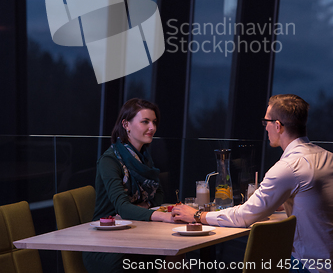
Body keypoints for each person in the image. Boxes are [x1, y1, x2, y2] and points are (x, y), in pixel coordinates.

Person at [172, 94, 333, 273]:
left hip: (309, 266)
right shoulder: (328, 157)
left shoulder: (288, 167)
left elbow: (245, 216)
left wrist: (197, 215)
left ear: (278, 126)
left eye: (266, 123)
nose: (265, 128)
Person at [83, 98, 173, 273]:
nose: (152, 128)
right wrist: (163, 217)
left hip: (134, 232)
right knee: (166, 252)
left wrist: (145, 206)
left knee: (175, 250)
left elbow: (159, 193)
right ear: (126, 124)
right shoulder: (110, 160)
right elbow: (123, 208)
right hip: (105, 244)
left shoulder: (143, 158)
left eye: (154, 122)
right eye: (145, 122)